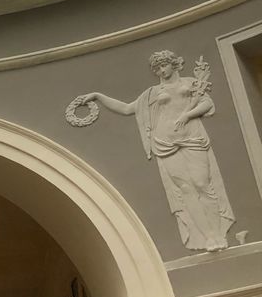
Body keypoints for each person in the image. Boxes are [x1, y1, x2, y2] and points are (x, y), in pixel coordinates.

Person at [82, 49, 234, 253]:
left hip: (192, 138)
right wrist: (98, 96)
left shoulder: (191, 83)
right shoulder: (152, 94)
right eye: (158, 68)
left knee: (202, 184)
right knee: (186, 190)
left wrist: (188, 115)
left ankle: (218, 233)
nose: (161, 70)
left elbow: (207, 103)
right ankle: (208, 237)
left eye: (164, 65)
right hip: (165, 143)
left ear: (174, 64)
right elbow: (127, 109)